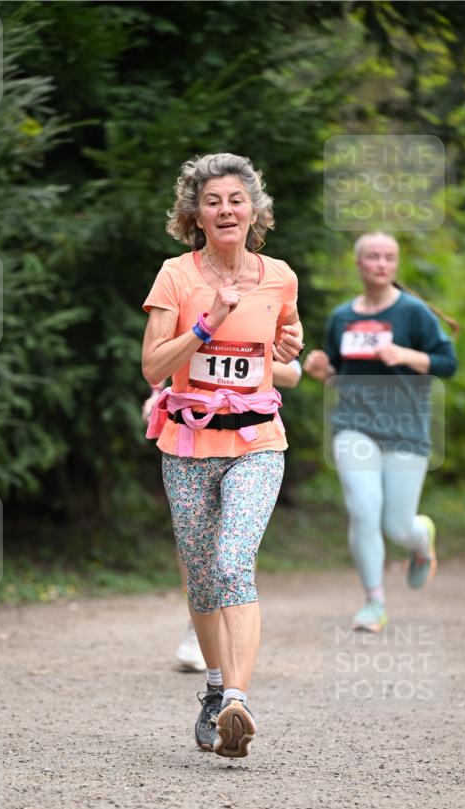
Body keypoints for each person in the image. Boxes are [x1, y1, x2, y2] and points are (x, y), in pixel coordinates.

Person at [141, 152, 304, 757]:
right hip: (186, 445)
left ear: (253, 209)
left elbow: (283, 352)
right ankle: (214, 690)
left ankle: (238, 698)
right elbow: (154, 365)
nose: (226, 209)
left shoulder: (279, 275)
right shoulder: (175, 277)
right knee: (204, 579)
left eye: (237, 199)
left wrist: (291, 347)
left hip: (258, 441)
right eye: (213, 201)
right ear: (196, 215)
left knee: (234, 559)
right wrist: (205, 326)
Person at [304, 232, 458, 632]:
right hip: (354, 426)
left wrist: (405, 354)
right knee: (362, 508)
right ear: (359, 264)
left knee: (396, 526)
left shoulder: (414, 313)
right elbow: (340, 374)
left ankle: (421, 539)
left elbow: (447, 363)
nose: (381, 264)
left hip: (406, 430)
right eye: (373, 257)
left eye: (389, 257)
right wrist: (324, 372)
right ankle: (374, 602)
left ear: (396, 264)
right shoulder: (342, 317)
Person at [142, 359, 303, 673]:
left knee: (235, 543)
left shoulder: (261, 310)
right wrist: (157, 392)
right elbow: (160, 357)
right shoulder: (191, 310)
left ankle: (234, 628)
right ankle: (200, 621)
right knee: (194, 543)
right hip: (192, 431)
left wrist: (249, 367)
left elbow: (293, 373)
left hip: (248, 437)